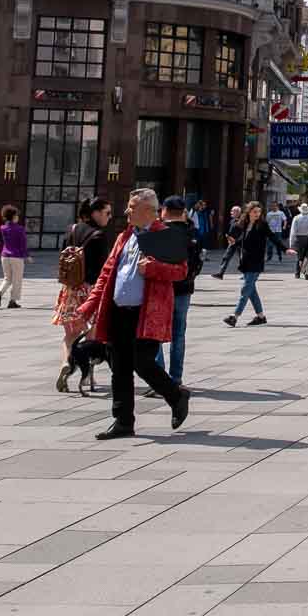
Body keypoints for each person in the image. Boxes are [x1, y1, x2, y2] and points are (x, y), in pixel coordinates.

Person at [77, 188, 190, 440]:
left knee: (142, 362)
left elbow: (181, 271)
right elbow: (106, 274)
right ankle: (123, 421)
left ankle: (176, 395)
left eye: (132, 207)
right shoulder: (124, 237)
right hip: (119, 311)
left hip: (146, 313)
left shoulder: (165, 235)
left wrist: (154, 268)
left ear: (149, 211)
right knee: (120, 367)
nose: (126, 211)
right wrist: (88, 306)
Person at [57, 198, 115, 391]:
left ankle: (65, 362)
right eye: (107, 212)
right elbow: (103, 269)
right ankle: (88, 374)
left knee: (69, 335)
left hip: (70, 289)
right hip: (90, 291)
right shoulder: (99, 236)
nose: (109, 216)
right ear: (95, 213)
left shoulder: (71, 229)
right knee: (91, 334)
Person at [149, 196, 203, 388]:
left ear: (164, 210)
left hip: (161, 289)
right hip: (184, 289)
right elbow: (197, 264)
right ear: (183, 212)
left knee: (155, 333)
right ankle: (176, 378)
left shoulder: (158, 232)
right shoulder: (192, 233)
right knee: (178, 334)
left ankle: (159, 378)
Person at [221, 202, 272, 327]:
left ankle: (234, 316)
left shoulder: (262, 225)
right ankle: (261, 317)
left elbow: (273, 237)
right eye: (255, 212)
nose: (257, 214)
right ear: (249, 212)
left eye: (259, 212)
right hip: (246, 261)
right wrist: (234, 242)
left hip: (256, 262)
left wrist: (285, 249)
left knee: (245, 289)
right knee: (251, 291)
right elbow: (243, 242)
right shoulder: (245, 224)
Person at [0, 204, 29, 308]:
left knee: (7, 278)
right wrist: (27, 255)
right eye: (17, 215)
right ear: (13, 216)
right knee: (17, 279)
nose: (18, 217)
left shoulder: (3, 228)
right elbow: (23, 243)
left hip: (4, 255)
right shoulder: (20, 229)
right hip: (16, 256)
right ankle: (13, 301)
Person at [291, 203, 308, 278]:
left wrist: (292, 241)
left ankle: (297, 272)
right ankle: (306, 273)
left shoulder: (296, 218)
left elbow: (293, 231)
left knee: (299, 256)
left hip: (299, 238)